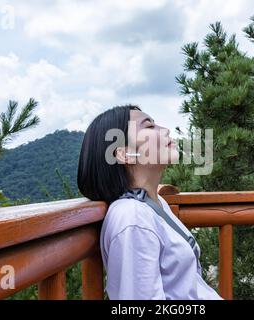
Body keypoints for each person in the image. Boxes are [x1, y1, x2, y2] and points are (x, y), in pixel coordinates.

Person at [77, 104, 223, 300]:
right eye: (149, 126)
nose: (166, 130)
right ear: (124, 154)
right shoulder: (132, 217)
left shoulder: (153, 203)